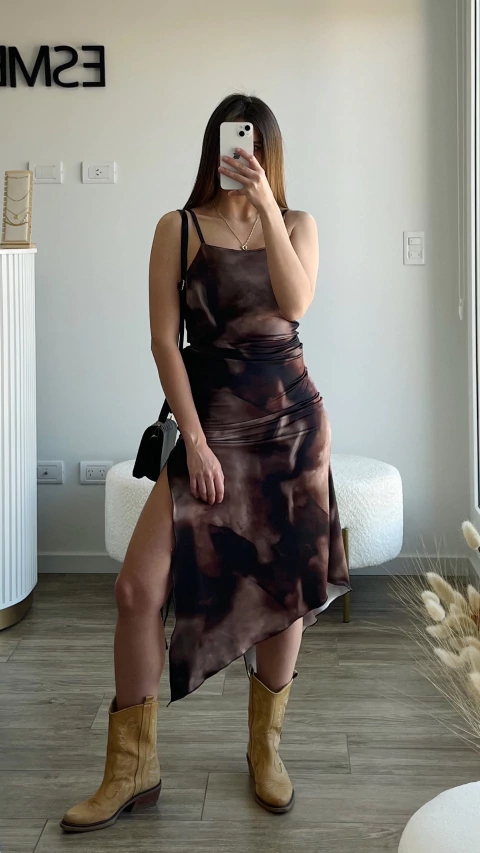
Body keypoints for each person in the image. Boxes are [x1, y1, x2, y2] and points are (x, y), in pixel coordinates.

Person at [60, 92, 351, 834]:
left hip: (290, 426)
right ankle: (132, 769)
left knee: (285, 589)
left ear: (271, 152)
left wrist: (266, 207)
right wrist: (192, 439)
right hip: (210, 420)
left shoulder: (299, 224)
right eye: (232, 142)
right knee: (136, 588)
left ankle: (265, 749)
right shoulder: (178, 227)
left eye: (254, 145)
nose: (242, 154)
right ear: (213, 147)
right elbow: (165, 341)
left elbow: (296, 303)